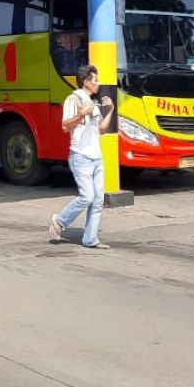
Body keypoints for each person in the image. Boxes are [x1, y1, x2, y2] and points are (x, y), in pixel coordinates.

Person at [49, 64, 115, 250]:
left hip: (96, 157)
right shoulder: (73, 99)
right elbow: (65, 126)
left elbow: (101, 129)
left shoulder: (93, 104)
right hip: (80, 156)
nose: (98, 84)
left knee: (98, 200)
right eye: (95, 80)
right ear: (86, 82)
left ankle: (90, 239)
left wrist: (109, 111)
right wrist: (80, 115)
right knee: (87, 197)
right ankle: (60, 220)